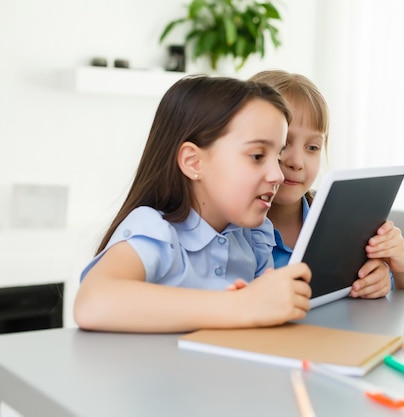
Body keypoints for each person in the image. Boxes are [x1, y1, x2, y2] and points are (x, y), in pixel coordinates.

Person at [73, 75, 312, 333]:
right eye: (257, 156)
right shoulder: (156, 231)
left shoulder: (254, 240)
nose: (278, 174)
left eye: (277, 156)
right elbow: (93, 302)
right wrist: (241, 304)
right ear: (193, 162)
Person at [249, 70, 404, 299]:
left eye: (312, 148)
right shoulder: (235, 230)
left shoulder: (343, 223)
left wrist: (397, 267)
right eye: (284, 144)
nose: (297, 162)